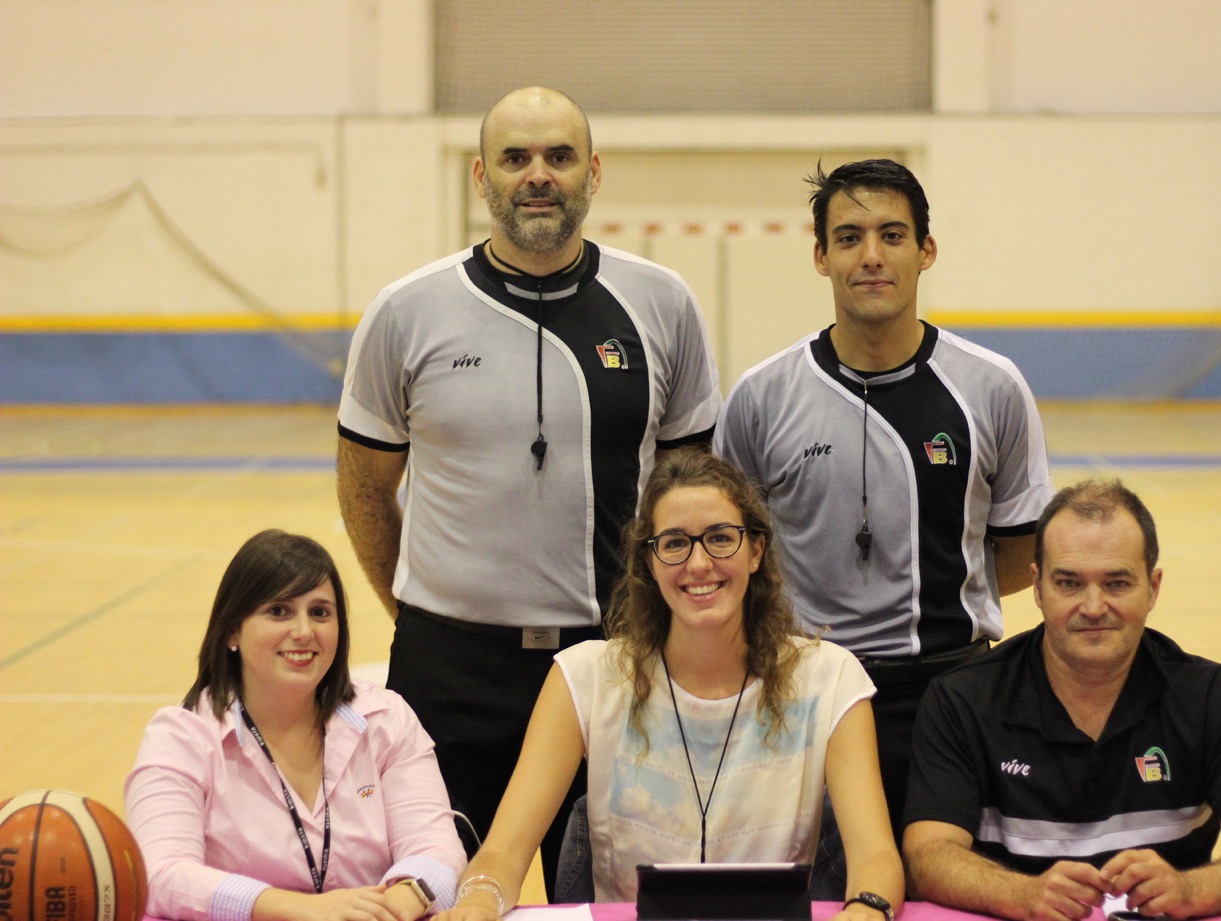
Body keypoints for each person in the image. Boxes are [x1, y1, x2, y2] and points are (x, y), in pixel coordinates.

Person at [335, 86, 722, 889]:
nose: (537, 175)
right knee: (446, 894)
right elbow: (367, 491)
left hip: (614, 663)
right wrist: (421, 615)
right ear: (481, 177)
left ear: (594, 173)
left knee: (610, 901)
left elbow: (690, 491)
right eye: (515, 158)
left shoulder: (662, 303)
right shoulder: (406, 311)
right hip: (449, 676)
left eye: (559, 156)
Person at [714, 158, 1053, 843]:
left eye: (892, 235)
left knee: (948, 878)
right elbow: (727, 553)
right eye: (849, 237)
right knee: (820, 886)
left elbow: (1021, 554)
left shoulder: (992, 387)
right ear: (821, 256)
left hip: (952, 691)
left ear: (926, 250)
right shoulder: (761, 396)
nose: (871, 255)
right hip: (804, 692)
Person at [438, 449, 903, 920]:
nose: (699, 563)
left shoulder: (829, 677)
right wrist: (480, 898)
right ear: (650, 561)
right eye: (675, 543)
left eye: (720, 538)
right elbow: (502, 854)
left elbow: (876, 858)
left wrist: (865, 911)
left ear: (756, 551)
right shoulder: (585, 677)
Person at [903, 479, 1221, 921]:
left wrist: (1190, 889)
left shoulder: (1213, 698)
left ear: (1152, 587)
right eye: (1069, 583)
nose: (1094, 607)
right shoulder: (961, 700)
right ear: (1037, 587)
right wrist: (1023, 894)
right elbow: (927, 857)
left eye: (1117, 583)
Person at [125, 529, 465, 921]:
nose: (304, 632)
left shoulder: (386, 720)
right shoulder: (180, 738)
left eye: (320, 612)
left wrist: (397, 905)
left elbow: (437, 849)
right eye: (279, 611)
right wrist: (300, 909)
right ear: (232, 630)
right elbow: (160, 874)